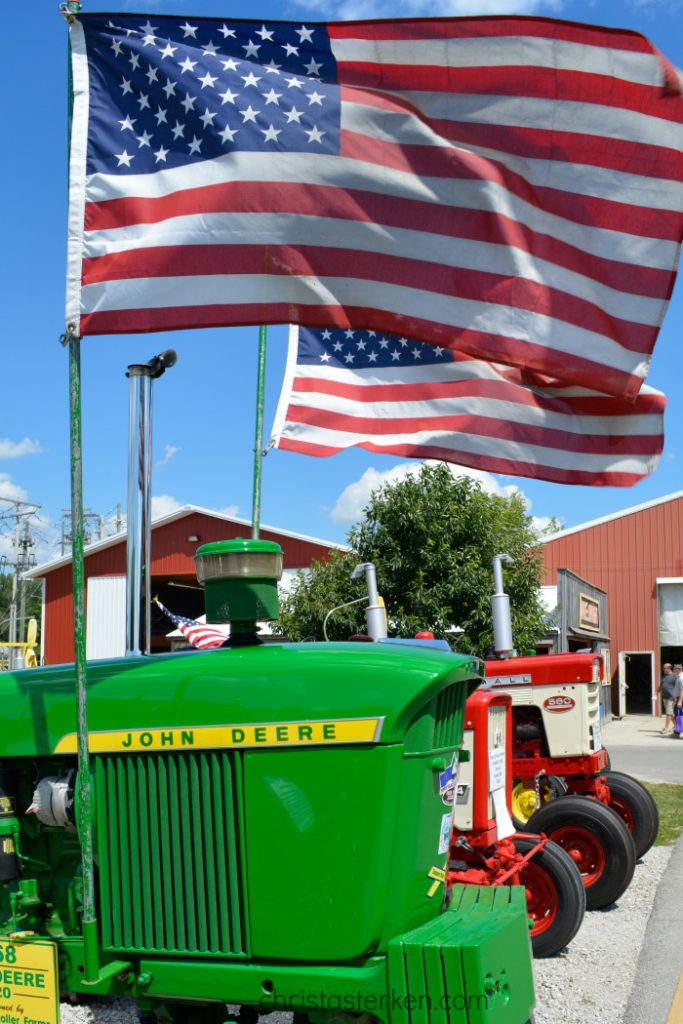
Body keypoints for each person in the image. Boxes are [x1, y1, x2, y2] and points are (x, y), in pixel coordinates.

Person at [660, 663, 678, 735]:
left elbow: (679, 687)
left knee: (668, 713)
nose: (663, 669)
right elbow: (661, 686)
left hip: (671, 697)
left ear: (669, 668)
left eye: (664, 668)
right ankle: (677, 726)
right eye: (663, 668)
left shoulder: (675, 677)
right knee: (671, 713)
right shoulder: (664, 676)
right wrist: (656, 693)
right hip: (665, 697)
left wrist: (676, 697)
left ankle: (666, 729)